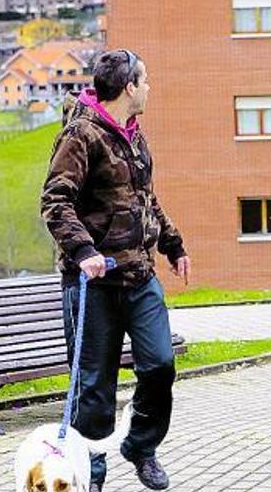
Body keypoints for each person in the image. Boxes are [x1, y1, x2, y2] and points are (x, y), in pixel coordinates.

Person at [41, 49, 191, 491]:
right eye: (145, 80)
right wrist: (83, 249)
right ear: (129, 86)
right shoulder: (81, 135)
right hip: (93, 283)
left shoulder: (134, 135)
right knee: (94, 391)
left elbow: (144, 198)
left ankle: (141, 446)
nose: (149, 88)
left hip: (140, 276)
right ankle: (92, 477)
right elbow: (55, 201)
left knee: (161, 364)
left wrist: (172, 243)